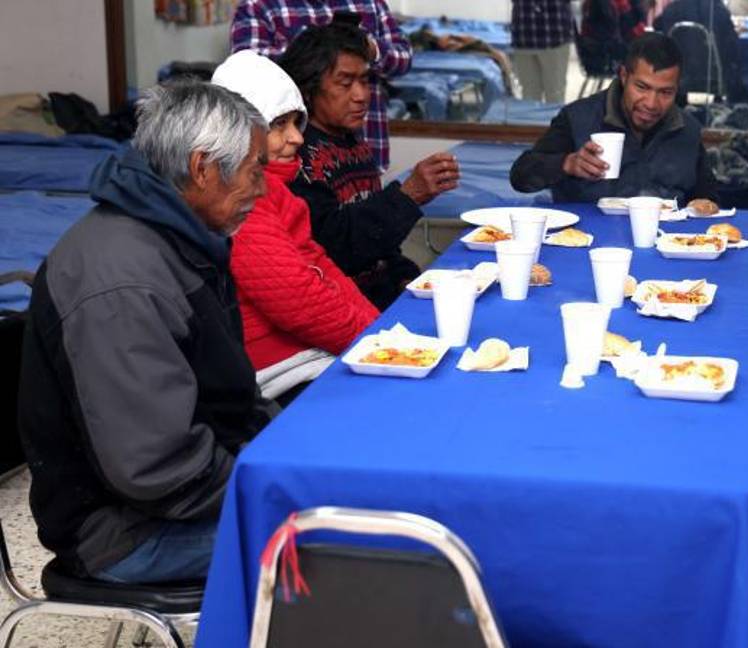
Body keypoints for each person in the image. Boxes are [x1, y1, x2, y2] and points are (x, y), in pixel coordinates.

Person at [18, 81, 276, 583]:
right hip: (125, 533)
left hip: (172, 496)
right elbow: (159, 471)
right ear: (203, 169)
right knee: (339, 540)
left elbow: (227, 394)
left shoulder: (175, 236)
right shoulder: (121, 282)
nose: (263, 188)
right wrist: (274, 481)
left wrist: (283, 449)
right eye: (254, 170)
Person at [212, 50, 379, 403]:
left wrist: (377, 328)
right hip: (274, 371)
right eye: (278, 126)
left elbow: (320, 264)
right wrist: (378, 341)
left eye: (295, 124)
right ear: (239, 133)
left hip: (300, 353)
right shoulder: (240, 200)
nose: (298, 138)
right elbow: (298, 298)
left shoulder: (274, 191)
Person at [278, 21, 460, 309]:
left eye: (364, 81)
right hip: (343, 311)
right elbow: (335, 249)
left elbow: (382, 249)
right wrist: (408, 195)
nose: (361, 95)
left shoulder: (352, 143)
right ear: (309, 89)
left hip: (381, 297)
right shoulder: (296, 156)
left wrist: (408, 279)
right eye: (345, 83)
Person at [510, 32, 717, 203]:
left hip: (665, 245)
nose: (651, 103)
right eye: (642, 87)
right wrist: (567, 163)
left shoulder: (687, 131)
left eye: (665, 92)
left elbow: (707, 197)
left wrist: (704, 205)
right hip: (586, 243)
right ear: (624, 76)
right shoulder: (578, 118)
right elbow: (520, 177)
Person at [230, 0, 412, 172]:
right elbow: (246, 69)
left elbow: (404, 57)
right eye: (346, 81)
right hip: (297, 155)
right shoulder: (259, 5)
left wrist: (371, 49)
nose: (359, 96)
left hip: (366, 145)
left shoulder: (370, 3)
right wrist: (318, 52)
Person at [654, 0, 748, 103]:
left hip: (680, 76)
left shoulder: (671, 10)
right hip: (714, 77)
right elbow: (732, 49)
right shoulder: (718, 10)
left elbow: (658, 27)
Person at [510, 0, 576, 103]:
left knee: (554, 94)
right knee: (530, 97)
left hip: (552, 36)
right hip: (526, 35)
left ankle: (554, 119)